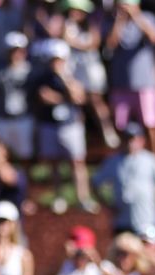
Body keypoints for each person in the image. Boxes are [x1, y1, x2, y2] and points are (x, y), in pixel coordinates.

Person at [32, 41, 98, 213]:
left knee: (77, 162)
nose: (56, 63)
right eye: (54, 60)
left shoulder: (72, 75)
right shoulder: (41, 77)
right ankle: (58, 197)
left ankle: (83, 198)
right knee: (55, 163)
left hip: (71, 125)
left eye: (59, 60)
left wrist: (64, 81)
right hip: (50, 125)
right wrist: (65, 98)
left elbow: (78, 97)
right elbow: (42, 96)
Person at [105, 0, 155, 158]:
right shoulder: (113, 20)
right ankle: (123, 163)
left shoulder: (148, 17)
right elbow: (109, 45)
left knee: (150, 125)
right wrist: (120, 20)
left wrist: (136, 17)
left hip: (145, 84)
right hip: (120, 84)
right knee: (121, 127)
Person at [63, 0, 118, 149]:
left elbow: (94, 43)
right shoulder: (67, 25)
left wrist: (74, 43)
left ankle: (108, 131)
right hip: (75, 69)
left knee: (96, 100)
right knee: (78, 102)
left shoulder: (92, 26)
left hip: (91, 69)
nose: (74, 13)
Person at [92, 123, 155, 237]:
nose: (130, 143)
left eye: (133, 139)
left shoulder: (150, 160)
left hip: (146, 221)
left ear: (142, 140)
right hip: (122, 221)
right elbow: (95, 183)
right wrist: (107, 205)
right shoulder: (113, 161)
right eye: (127, 139)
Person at [0, 32, 35, 165]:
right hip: (2, 119)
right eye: (12, 50)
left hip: (23, 118)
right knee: (0, 156)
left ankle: (24, 184)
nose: (15, 54)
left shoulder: (30, 71)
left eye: (19, 50)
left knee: (24, 157)